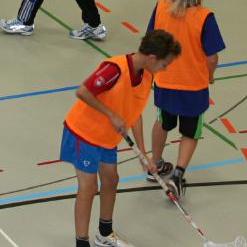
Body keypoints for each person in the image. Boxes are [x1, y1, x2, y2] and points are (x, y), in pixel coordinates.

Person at [62, 30, 181, 247]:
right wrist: (111, 115)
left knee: (111, 180)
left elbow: (135, 115)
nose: (165, 69)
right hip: (84, 133)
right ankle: (81, 243)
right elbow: (83, 92)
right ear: (152, 58)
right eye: (164, 64)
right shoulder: (115, 69)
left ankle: (104, 234)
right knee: (89, 187)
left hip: (106, 137)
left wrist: (143, 155)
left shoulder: (146, 75)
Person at [145, 0, 224, 199]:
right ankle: (178, 175)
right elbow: (212, 57)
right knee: (190, 131)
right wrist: (210, 75)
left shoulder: (161, 7)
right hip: (192, 86)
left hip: (165, 81)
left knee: (162, 121)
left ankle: (156, 164)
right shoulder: (204, 17)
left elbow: (151, 41)